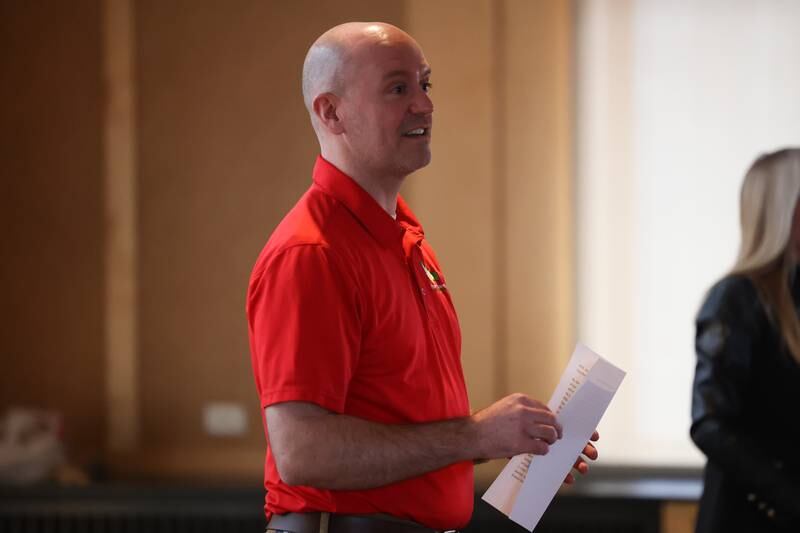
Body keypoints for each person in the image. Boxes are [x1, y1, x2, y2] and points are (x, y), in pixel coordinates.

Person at [247, 22, 598, 533]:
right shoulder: (312, 253)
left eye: (425, 84)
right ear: (331, 112)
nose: (425, 105)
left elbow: (403, 430)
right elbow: (304, 452)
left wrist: (512, 438)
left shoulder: (406, 240)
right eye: (398, 88)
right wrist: (477, 434)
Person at [692, 148, 800, 533]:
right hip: (747, 519)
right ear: (784, 209)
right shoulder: (735, 299)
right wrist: (790, 496)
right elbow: (710, 422)